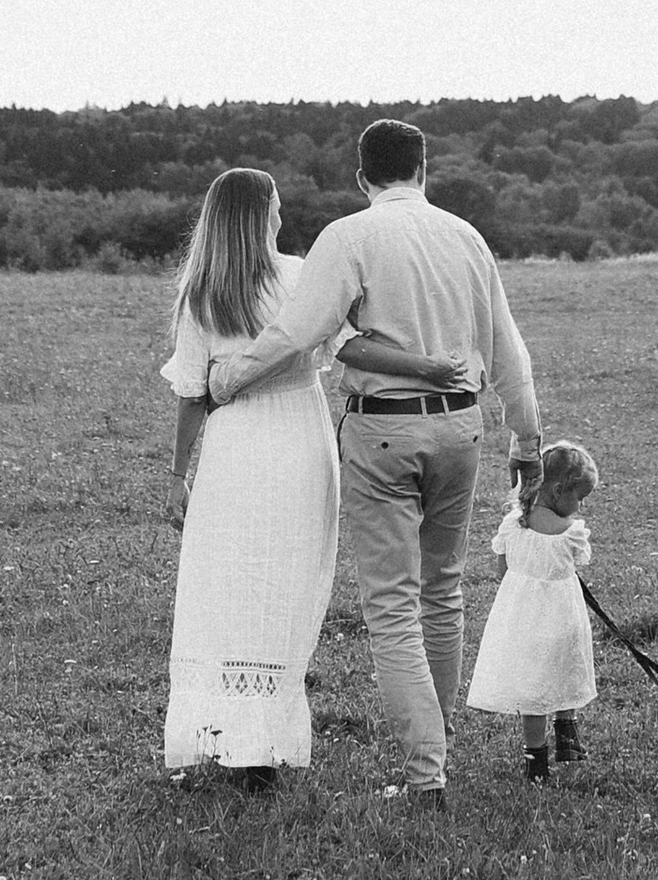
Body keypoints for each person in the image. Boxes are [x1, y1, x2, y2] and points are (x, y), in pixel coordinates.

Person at [203, 118, 544, 802]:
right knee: (443, 593)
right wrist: (527, 440)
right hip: (461, 430)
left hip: (384, 431)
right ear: (424, 169)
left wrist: (229, 377)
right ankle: (436, 750)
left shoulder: (348, 236)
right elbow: (507, 346)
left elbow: (298, 331)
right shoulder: (467, 236)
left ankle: (426, 774)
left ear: (362, 177)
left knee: (391, 606)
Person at [159, 166, 463, 780]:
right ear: (261, 215)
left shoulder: (202, 292)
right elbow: (349, 346)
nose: (281, 213)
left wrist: (177, 474)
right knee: (288, 582)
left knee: (228, 582)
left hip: (234, 442)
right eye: (275, 204)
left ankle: (226, 735)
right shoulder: (299, 275)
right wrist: (426, 367)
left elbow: (193, 393)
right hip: (299, 434)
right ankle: (263, 737)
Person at [464, 438, 599, 779]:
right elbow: (573, 567)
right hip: (562, 619)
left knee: (532, 689)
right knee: (564, 671)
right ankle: (566, 728)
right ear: (558, 490)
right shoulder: (571, 533)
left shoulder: (513, 524)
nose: (580, 506)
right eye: (579, 497)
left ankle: (535, 758)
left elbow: (502, 570)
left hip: (521, 620)